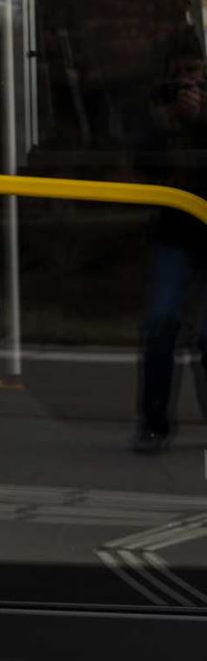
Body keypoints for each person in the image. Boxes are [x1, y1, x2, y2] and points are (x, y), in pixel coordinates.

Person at [132, 25, 207, 453]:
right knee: (160, 324)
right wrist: (167, 122)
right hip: (174, 232)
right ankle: (153, 422)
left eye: (196, 73)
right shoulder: (158, 110)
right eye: (181, 75)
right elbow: (141, 160)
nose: (190, 84)